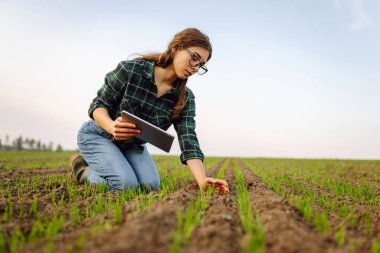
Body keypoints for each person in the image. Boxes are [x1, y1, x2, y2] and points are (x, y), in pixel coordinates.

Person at [70, 28, 229, 194]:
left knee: (150, 185)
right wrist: (111, 126)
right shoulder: (131, 70)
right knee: (125, 184)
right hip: (99, 135)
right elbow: (98, 105)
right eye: (194, 57)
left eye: (201, 65)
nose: (195, 67)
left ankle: (115, 164)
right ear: (177, 47)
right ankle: (82, 171)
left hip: (132, 145)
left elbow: (188, 139)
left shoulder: (186, 98)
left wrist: (202, 180)